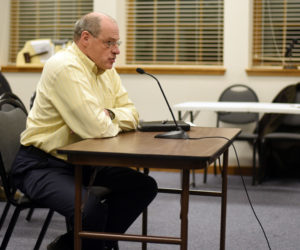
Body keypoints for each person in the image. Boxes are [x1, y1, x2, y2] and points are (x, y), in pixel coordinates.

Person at [11, 12, 158, 250]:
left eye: (117, 43)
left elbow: (132, 113)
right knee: (91, 211)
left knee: (143, 186)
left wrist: (108, 114)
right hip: (41, 164)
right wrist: (108, 119)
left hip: (82, 160)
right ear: (86, 38)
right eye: (109, 42)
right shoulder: (65, 67)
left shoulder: (106, 68)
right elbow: (97, 129)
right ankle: (89, 244)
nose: (116, 50)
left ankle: (70, 246)